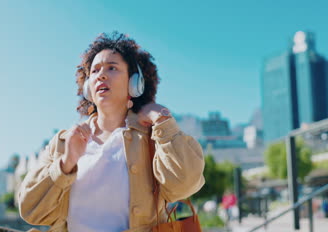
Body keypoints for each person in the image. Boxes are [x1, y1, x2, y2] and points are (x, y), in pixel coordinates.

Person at [18, 32, 205, 232]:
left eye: (112, 68)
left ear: (135, 82)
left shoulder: (152, 136)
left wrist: (162, 119)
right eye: (95, 71)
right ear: (88, 86)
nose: (101, 75)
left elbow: (185, 184)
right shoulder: (64, 142)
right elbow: (30, 209)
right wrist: (65, 164)